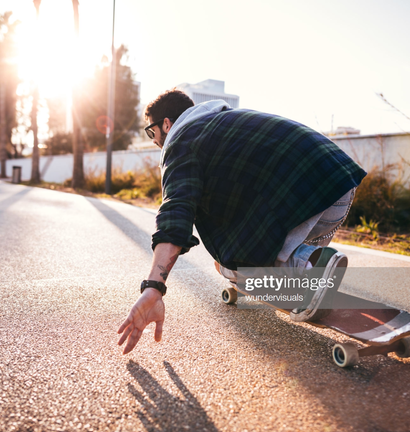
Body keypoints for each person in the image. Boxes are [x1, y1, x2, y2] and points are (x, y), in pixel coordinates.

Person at [117, 90, 367, 354]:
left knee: (227, 261)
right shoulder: (223, 122)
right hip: (339, 183)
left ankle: (309, 264)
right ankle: (306, 264)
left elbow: (176, 211)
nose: (154, 140)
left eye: (151, 131)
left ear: (166, 124)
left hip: (303, 194)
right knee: (244, 226)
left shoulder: (181, 141)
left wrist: (154, 287)